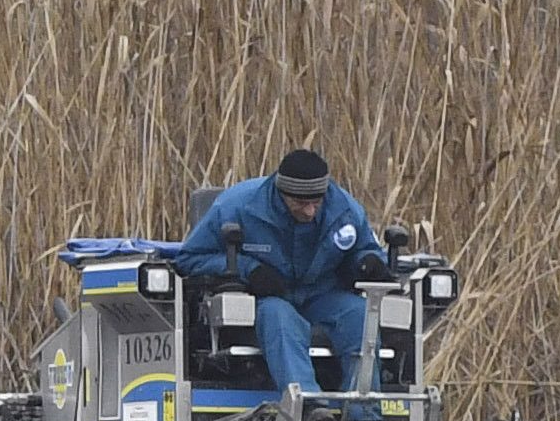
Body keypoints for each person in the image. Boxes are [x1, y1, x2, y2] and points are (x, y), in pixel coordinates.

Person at [171, 148, 400, 399]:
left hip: (322, 294)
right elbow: (189, 258)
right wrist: (249, 270)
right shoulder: (237, 206)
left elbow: (363, 248)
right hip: (268, 298)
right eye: (301, 203)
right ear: (282, 193)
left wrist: (368, 262)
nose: (310, 211)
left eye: (316, 202)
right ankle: (307, 403)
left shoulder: (344, 210)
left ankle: (363, 408)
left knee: (360, 316)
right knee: (278, 317)